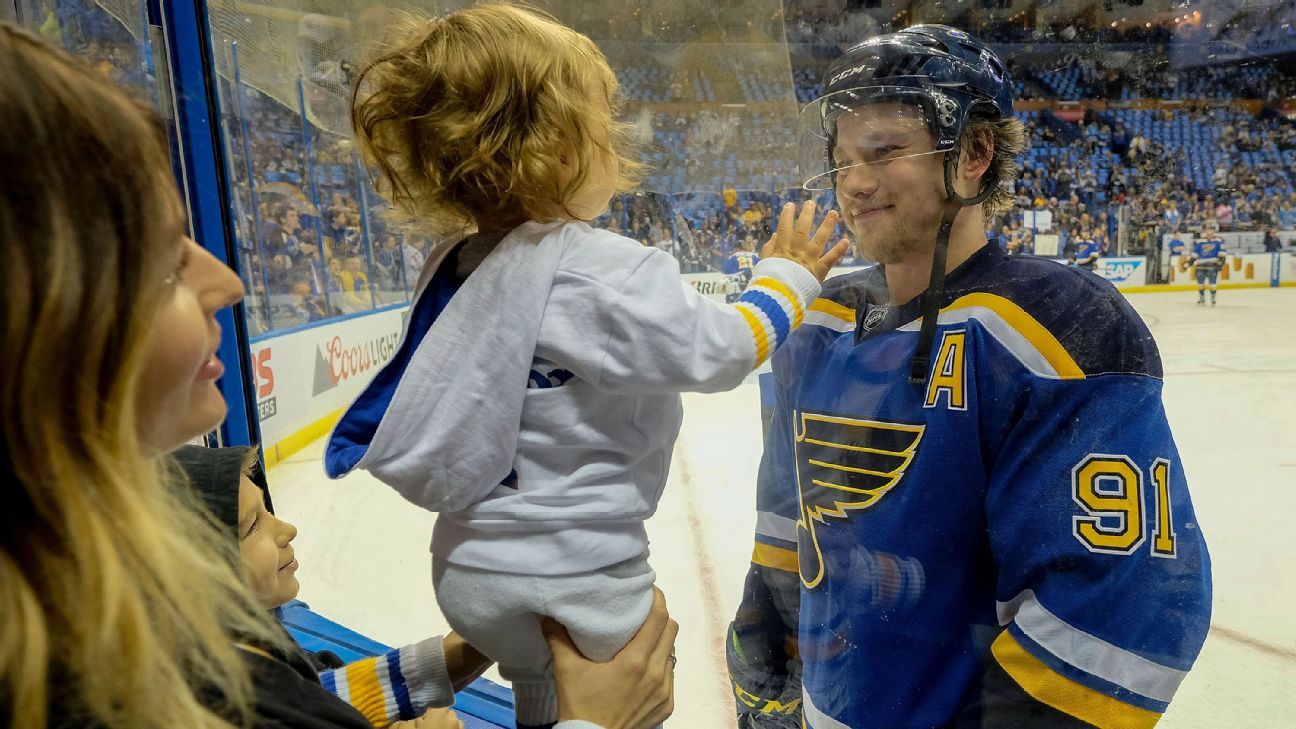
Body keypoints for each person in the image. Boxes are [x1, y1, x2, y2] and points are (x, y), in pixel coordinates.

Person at [0, 22, 677, 729]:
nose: (227, 281)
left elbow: (295, 696)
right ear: (38, 318)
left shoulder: (72, 608)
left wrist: (448, 659)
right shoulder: (116, 681)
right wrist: (596, 723)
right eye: (168, 260)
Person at [324, 5, 847, 728]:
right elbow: (723, 349)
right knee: (628, 685)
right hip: (579, 576)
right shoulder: (601, 270)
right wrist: (786, 277)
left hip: (469, 579)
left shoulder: (454, 263)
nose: (619, 138)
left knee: (540, 683)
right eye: (605, 121)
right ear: (559, 148)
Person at [726, 25, 1211, 729]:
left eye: (885, 151)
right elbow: (786, 542)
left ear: (975, 151)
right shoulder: (818, 326)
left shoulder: (1057, 329)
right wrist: (765, 680)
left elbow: (1121, 610)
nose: (854, 182)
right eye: (842, 159)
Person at [172, 444, 488, 728]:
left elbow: (311, 695)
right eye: (252, 526)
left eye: (267, 511)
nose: (287, 529)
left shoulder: (239, 658)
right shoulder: (220, 705)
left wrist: (466, 649)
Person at [1189, 221, 1227, 306]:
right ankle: (1201, 297)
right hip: (1200, 265)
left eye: (1211, 230)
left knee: (1212, 282)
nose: (1209, 232)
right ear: (1205, 231)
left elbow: (1222, 252)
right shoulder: (1199, 241)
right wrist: (1190, 261)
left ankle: (1213, 298)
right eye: (1207, 230)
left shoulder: (1218, 241)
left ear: (1214, 231)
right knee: (1200, 283)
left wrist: (1221, 262)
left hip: (1212, 265)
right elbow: (1195, 253)